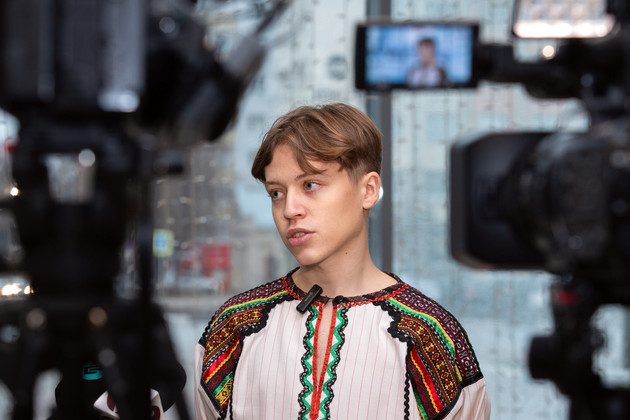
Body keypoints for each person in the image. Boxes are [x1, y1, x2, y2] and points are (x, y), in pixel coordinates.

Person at [194, 102, 490, 419]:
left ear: (368, 190)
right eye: (276, 192)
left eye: (310, 185)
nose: (289, 209)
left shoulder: (429, 335)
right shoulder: (234, 326)